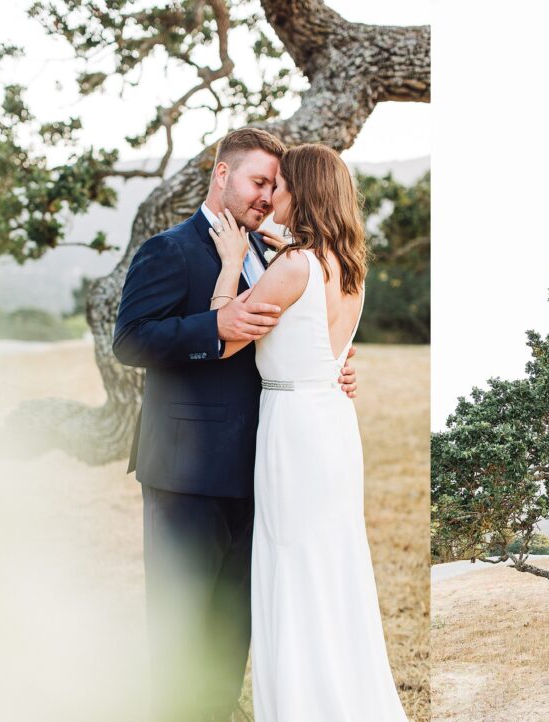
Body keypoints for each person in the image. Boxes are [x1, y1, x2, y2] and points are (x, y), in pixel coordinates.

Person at [112, 127, 358, 722]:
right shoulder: (170, 249)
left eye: (275, 185)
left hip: (266, 469)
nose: (268, 196)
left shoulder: (275, 251)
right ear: (221, 174)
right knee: (181, 629)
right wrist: (213, 329)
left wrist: (335, 369)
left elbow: (300, 333)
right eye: (258, 181)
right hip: (187, 473)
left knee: (232, 630)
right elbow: (130, 340)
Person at [209, 142, 409, 721]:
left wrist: (230, 263)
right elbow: (321, 341)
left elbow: (228, 336)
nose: (273, 195)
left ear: (303, 191)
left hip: (293, 428)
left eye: (282, 184)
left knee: (293, 571)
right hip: (332, 424)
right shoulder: (347, 268)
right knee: (331, 566)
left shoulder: (294, 266)